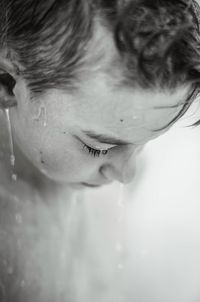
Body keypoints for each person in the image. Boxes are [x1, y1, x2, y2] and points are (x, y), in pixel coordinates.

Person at [0, 0, 200, 301]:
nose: (128, 173)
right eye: (99, 147)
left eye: (146, 140)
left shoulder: (115, 158)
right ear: (6, 84)